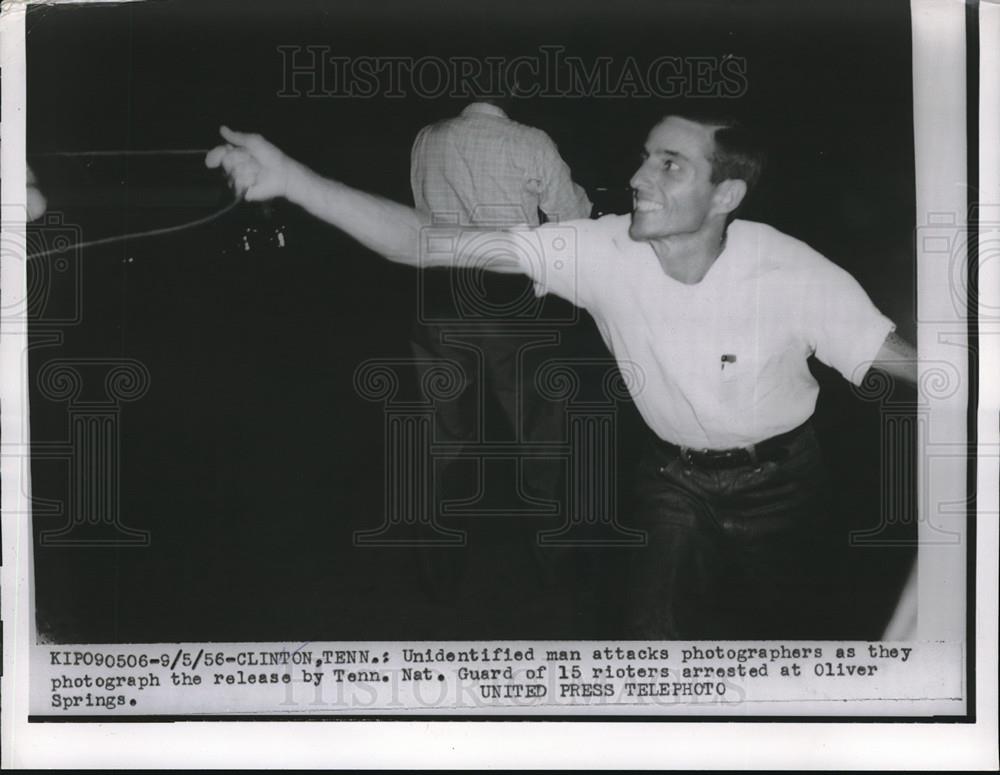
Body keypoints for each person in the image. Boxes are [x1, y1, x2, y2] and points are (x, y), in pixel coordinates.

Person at [206, 113, 918, 639]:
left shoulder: (792, 273)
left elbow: (910, 365)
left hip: (783, 483)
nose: (639, 176)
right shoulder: (601, 249)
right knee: (645, 649)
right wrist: (294, 181)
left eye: (670, 165)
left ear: (726, 195)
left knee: (800, 644)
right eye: (645, 156)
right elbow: (425, 243)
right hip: (669, 479)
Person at [408, 99, 592, 594]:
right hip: (512, 304)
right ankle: (554, 567)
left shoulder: (426, 137)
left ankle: (438, 572)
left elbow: (419, 211)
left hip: (441, 299)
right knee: (541, 437)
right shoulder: (530, 141)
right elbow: (574, 216)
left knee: (442, 438)